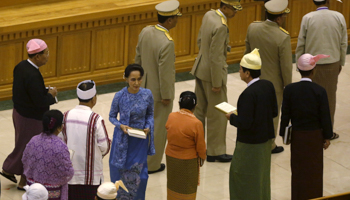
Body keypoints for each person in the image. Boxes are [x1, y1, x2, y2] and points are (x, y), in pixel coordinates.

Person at [1, 39, 57, 189]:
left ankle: (9, 169)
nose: (48, 56)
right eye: (46, 53)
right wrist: (51, 95)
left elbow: (27, 92)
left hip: (19, 113)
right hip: (31, 118)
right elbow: (39, 102)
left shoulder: (21, 66)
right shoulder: (32, 75)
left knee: (23, 145)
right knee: (31, 149)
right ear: (37, 56)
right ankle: (24, 182)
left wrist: (43, 91)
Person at [190, 0, 242, 163]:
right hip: (213, 75)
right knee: (218, 114)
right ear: (225, 7)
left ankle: (196, 146)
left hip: (200, 69)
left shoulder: (209, 15)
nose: (235, 13)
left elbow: (200, 41)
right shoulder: (221, 26)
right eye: (233, 9)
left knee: (199, 110)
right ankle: (215, 151)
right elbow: (216, 57)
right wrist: (217, 82)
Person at [134, 0, 181, 174]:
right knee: (158, 129)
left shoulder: (146, 31)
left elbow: (137, 60)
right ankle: (152, 164)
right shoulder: (167, 42)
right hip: (158, 94)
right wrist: (167, 95)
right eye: (175, 17)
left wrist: (135, 84)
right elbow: (166, 73)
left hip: (142, 88)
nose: (177, 20)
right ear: (169, 20)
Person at [225, 49, 278, 200]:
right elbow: (274, 112)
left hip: (250, 144)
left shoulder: (247, 95)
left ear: (248, 73)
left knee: (241, 177)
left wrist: (231, 117)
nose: (239, 72)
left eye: (241, 69)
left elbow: (245, 123)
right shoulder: (268, 85)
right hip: (266, 140)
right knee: (261, 177)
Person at [280, 54, 333, 200]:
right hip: (315, 137)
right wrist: (327, 136)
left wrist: (283, 134)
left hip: (297, 136)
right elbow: (325, 116)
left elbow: (285, 114)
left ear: (298, 69)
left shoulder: (290, 90)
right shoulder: (319, 90)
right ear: (313, 70)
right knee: (314, 171)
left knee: (298, 170)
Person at [244, 0, 292, 154]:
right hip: (273, 83)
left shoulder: (253, 27)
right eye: (283, 15)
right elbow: (285, 66)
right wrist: (288, 86)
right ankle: (269, 144)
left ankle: (255, 139)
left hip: (254, 79)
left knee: (255, 110)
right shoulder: (282, 36)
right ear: (278, 18)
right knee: (272, 114)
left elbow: (247, 52)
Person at [295, 0, 347, 140]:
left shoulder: (307, 18)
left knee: (311, 97)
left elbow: (301, 43)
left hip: (312, 65)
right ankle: (328, 132)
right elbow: (343, 43)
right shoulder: (339, 16)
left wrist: (299, 64)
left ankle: (313, 129)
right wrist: (341, 62)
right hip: (332, 63)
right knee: (329, 98)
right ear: (328, 1)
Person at [109, 64, 155, 200]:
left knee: (139, 175)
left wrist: (148, 126)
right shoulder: (119, 96)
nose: (136, 83)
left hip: (140, 140)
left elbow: (150, 114)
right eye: (133, 79)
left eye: (139, 79)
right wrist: (121, 125)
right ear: (126, 79)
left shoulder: (147, 94)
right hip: (123, 140)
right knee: (120, 172)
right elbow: (112, 116)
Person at [60, 80, 111, 200]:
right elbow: (104, 146)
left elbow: (60, 141)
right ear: (94, 98)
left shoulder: (65, 115)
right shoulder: (96, 119)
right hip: (90, 176)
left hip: (70, 175)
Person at [22, 109, 74, 200]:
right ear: (59, 127)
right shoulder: (61, 146)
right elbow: (68, 172)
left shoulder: (33, 140)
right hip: (52, 193)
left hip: (33, 189)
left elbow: (24, 160)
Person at [165, 91, 206, 200]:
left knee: (173, 186)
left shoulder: (171, 116)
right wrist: (203, 157)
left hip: (171, 158)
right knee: (187, 189)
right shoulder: (196, 123)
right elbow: (200, 146)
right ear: (195, 106)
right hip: (187, 161)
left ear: (179, 104)